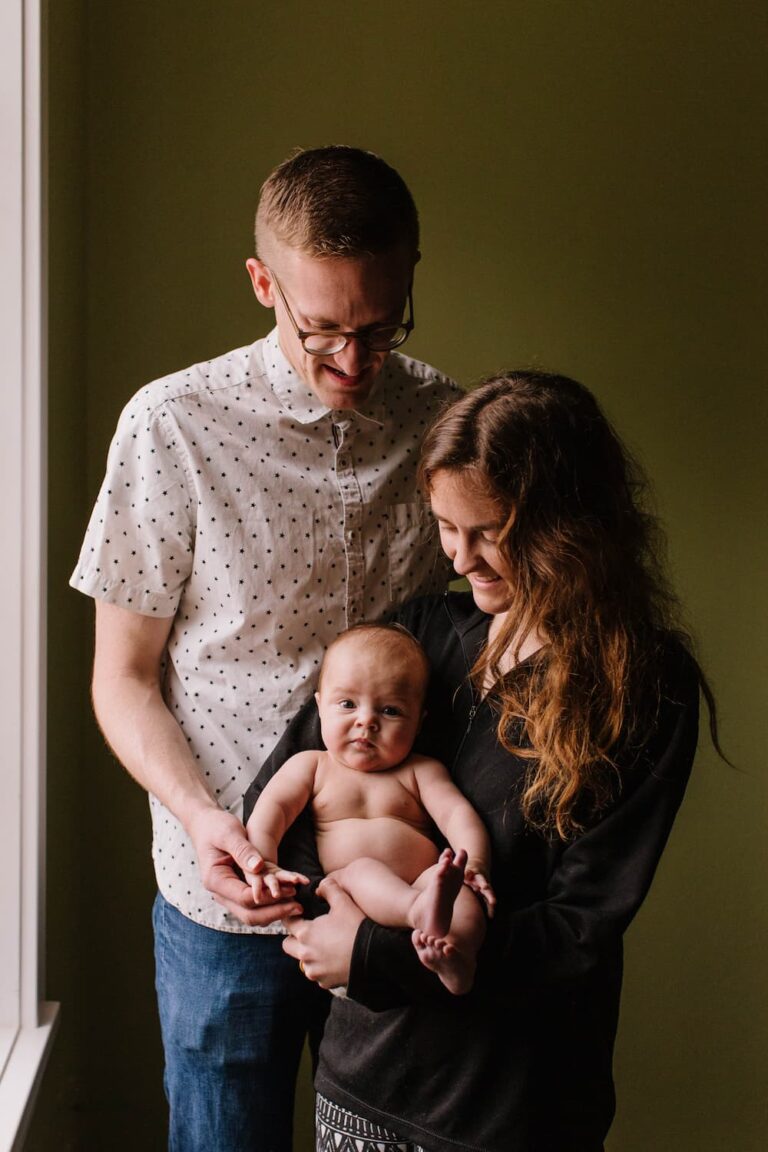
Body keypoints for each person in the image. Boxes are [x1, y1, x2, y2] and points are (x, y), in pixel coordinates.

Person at [70, 145, 457, 1152]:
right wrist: (204, 819)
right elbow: (123, 678)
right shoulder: (171, 426)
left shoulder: (444, 423)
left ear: (412, 275)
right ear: (262, 284)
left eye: (378, 329)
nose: (352, 362)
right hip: (222, 895)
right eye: (322, 328)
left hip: (386, 893)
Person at [245, 370, 723, 1152]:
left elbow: (577, 931)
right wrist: (289, 892)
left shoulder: (644, 687)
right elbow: (293, 796)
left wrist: (372, 953)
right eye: (444, 526)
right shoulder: (422, 633)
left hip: (506, 1109)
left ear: (569, 525)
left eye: (488, 531)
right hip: (362, 1078)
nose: (460, 558)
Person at [245, 623, 496, 995]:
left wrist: (474, 865)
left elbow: (457, 816)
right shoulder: (312, 766)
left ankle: (456, 962)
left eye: (391, 710)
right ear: (319, 707)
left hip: (424, 883)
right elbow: (272, 811)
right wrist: (262, 863)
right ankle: (418, 912)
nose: (367, 721)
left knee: (462, 897)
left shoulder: (421, 770)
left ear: (419, 722)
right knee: (362, 871)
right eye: (347, 704)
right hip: (351, 899)